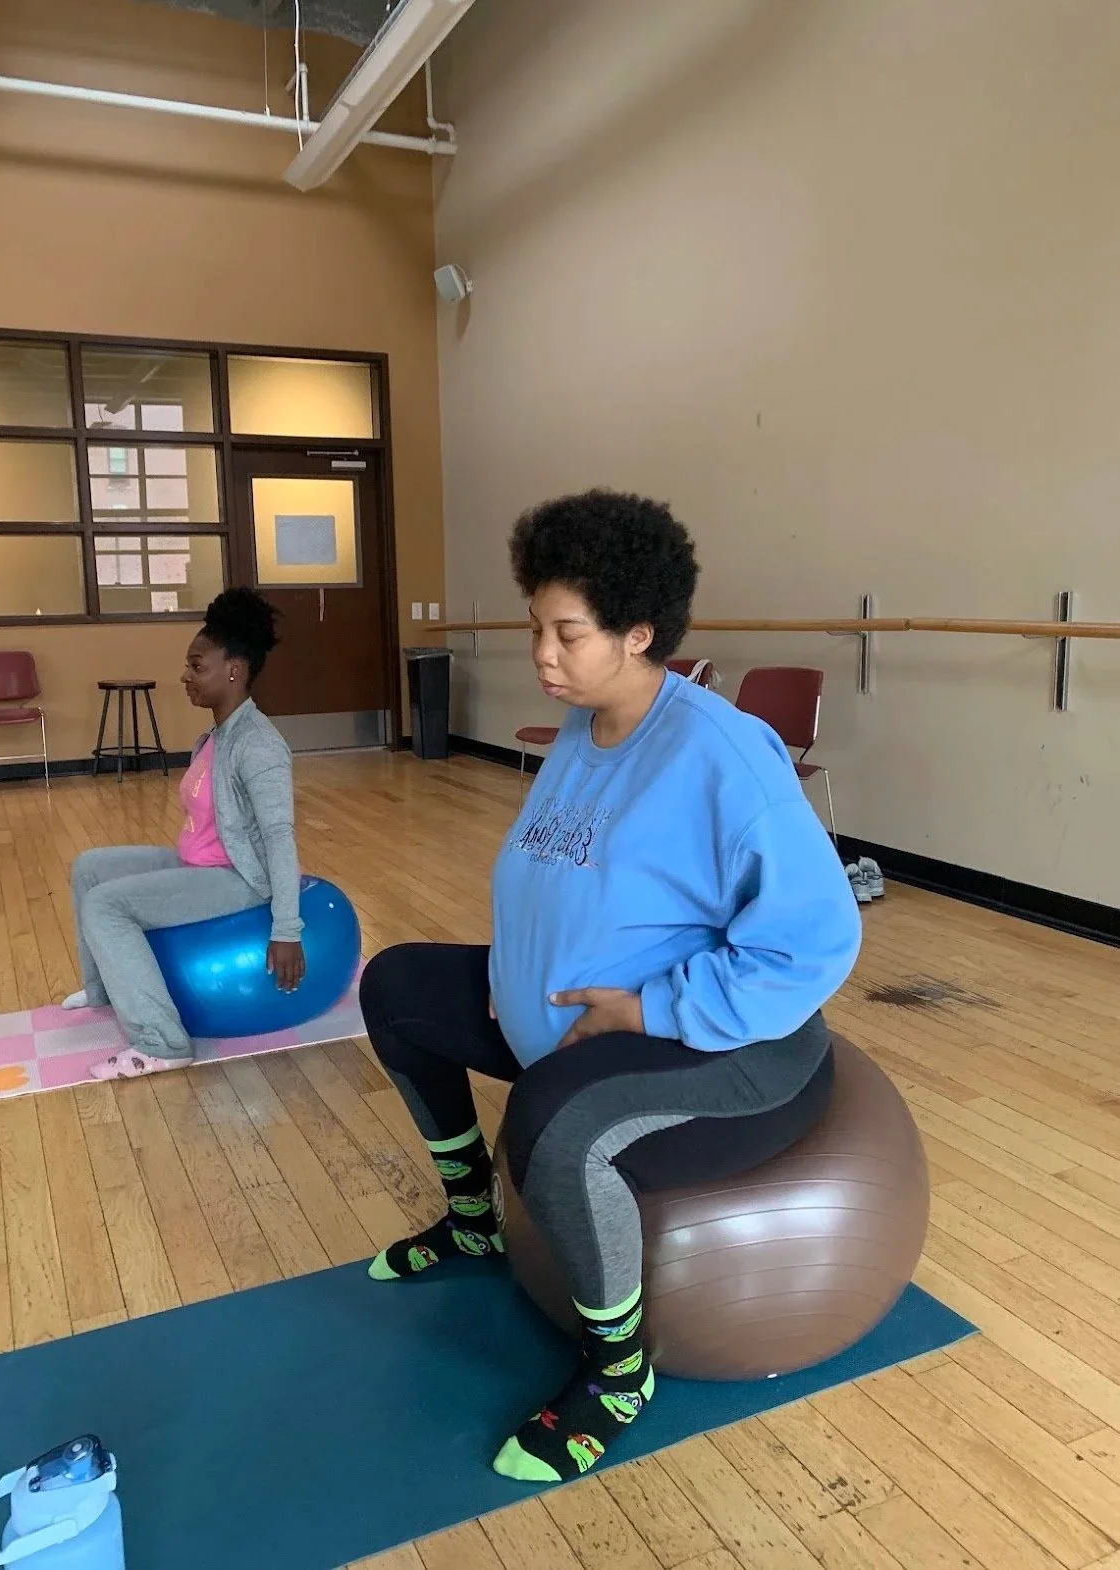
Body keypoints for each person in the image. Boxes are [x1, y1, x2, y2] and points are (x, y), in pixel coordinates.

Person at [360, 489, 863, 1484]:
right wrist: (513, 974)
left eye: (566, 632)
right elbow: (551, 878)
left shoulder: (720, 755)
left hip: (734, 1045)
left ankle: (617, 1371)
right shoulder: (585, 730)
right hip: (578, 1017)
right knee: (397, 988)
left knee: (551, 1118)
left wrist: (647, 1008)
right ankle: (473, 1217)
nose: (540, 651)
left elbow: (812, 944)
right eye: (533, 625)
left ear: (639, 632)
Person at [63, 587, 305, 1081]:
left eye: (198, 666)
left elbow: (280, 838)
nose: (185, 676)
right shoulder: (215, 737)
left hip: (236, 878)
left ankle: (162, 1042)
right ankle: (104, 989)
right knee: (90, 868)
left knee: (107, 905)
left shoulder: (259, 745)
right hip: (198, 862)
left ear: (233, 670)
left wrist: (286, 930)